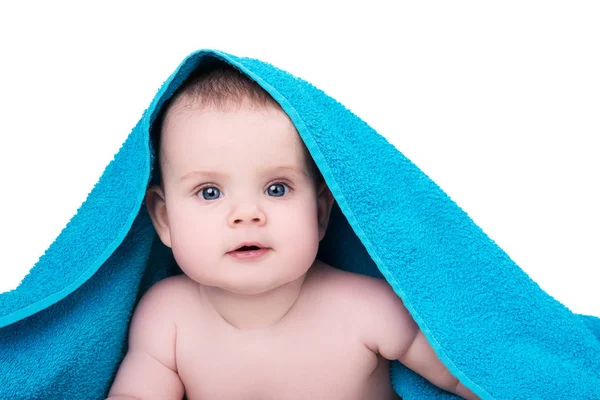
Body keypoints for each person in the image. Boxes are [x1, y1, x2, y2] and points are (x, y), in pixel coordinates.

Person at [107, 62, 479, 400]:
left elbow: (474, 377)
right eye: (210, 192)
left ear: (318, 212)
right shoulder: (168, 317)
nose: (247, 214)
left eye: (276, 188)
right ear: (165, 219)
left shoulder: (369, 310)